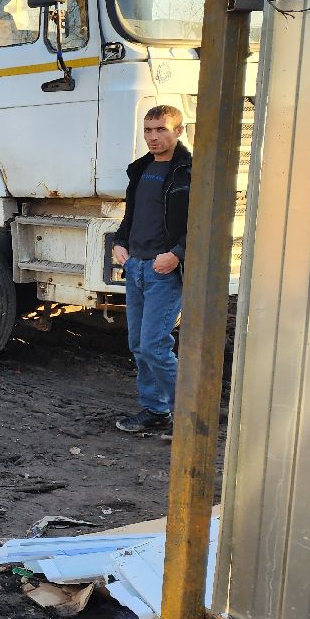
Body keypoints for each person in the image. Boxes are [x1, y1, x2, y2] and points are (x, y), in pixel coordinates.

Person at [111, 105, 190, 436]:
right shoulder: (141, 170)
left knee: (156, 345)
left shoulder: (188, 171)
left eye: (161, 129)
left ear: (178, 131)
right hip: (136, 267)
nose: (154, 136)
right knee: (139, 344)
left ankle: (187, 418)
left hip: (163, 270)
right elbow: (132, 216)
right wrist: (119, 242)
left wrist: (176, 254)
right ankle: (156, 411)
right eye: (148, 130)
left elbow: (203, 222)